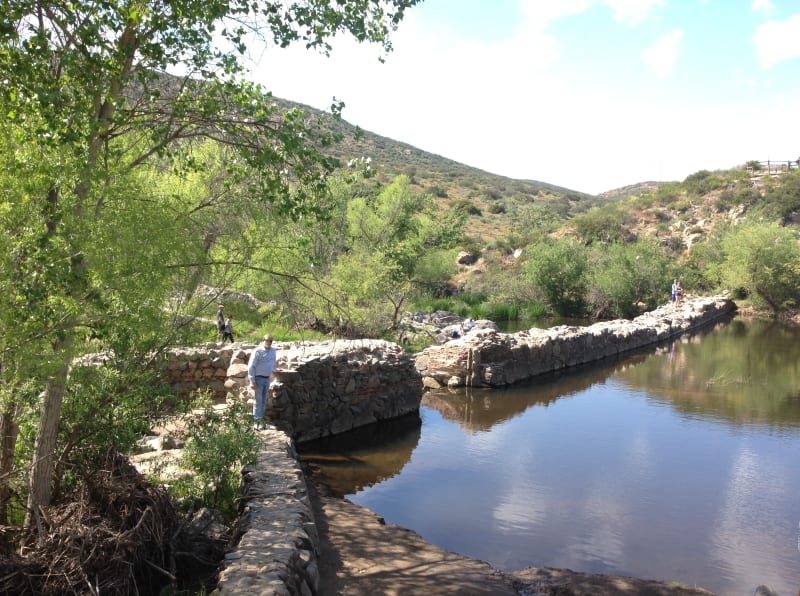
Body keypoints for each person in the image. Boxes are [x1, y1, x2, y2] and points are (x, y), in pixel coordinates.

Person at [247, 334, 276, 430]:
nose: (268, 342)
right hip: (258, 379)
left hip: (267, 379)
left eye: (270, 341)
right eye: (267, 340)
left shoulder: (273, 351)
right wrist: (252, 381)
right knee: (258, 401)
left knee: (264, 401)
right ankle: (256, 423)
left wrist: (276, 370)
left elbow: (272, 363)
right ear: (263, 340)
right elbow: (251, 366)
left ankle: (262, 422)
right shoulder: (257, 351)